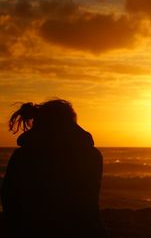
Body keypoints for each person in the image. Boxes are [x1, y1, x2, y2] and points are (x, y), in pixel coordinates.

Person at [1, 99, 108, 237]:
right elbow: (89, 203)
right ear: (71, 122)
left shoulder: (23, 155)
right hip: (85, 229)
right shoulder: (92, 155)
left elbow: (9, 199)